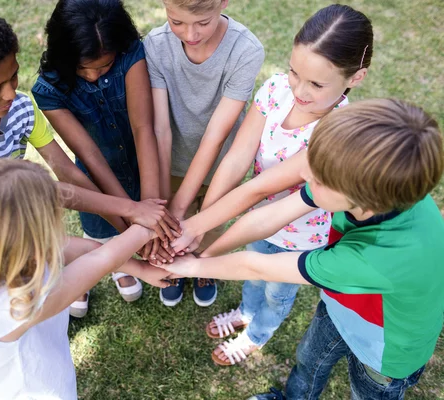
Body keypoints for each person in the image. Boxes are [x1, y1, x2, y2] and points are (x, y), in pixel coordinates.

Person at [161, 99, 444, 399]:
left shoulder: (372, 258)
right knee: (308, 364)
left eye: (319, 179)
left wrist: (191, 267)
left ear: (367, 202)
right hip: (340, 307)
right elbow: (268, 218)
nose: (307, 176)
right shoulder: (372, 184)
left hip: (385, 351)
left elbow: (257, 266)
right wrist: (205, 253)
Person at [0, 2, 180, 315]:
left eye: (13, 77)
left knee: (42, 310)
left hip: (21, 230)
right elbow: (44, 194)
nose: (11, 94)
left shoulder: (20, 108)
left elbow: (67, 171)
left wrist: (134, 229)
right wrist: (132, 213)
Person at [169, 4, 372, 365]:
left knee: (277, 291)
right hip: (255, 219)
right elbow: (236, 159)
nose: (300, 90)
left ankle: (257, 333)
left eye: (316, 83)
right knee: (253, 271)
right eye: (295, 72)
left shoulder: (337, 131)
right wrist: (205, 222)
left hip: (299, 235)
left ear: (355, 78)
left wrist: (200, 229)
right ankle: (247, 312)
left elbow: (258, 188)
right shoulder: (276, 89)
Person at [0, 159, 174, 400]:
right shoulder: (11, 307)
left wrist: (140, 270)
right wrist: (146, 228)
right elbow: (100, 260)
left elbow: (81, 250)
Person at [32, 0, 180, 316]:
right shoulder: (47, 89)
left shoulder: (130, 53)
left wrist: (149, 212)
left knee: (137, 215)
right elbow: (89, 155)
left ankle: (118, 261)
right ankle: (111, 259)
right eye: (82, 67)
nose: (91, 75)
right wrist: (130, 229)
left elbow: (144, 129)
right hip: (94, 178)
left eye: (103, 66)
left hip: (145, 165)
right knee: (99, 228)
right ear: (63, 54)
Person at [144, 0, 265, 307]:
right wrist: (167, 206)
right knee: (175, 222)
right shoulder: (155, 46)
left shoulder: (245, 50)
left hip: (223, 164)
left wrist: (181, 207)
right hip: (172, 161)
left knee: (210, 225)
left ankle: (204, 266)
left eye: (202, 23)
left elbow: (215, 134)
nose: (190, 34)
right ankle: (176, 264)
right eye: (177, 22)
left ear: (223, 3)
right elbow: (160, 129)